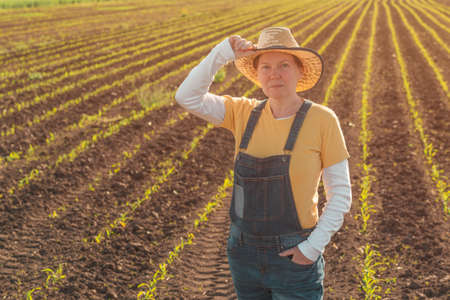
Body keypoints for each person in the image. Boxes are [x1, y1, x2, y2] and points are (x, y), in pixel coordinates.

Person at [175, 27, 352, 300]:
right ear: (257, 75)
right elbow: (186, 97)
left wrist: (311, 249)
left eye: (284, 65)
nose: (274, 74)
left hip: (294, 255)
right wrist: (223, 52)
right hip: (243, 253)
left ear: (299, 71)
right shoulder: (242, 113)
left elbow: (341, 195)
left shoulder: (323, 120)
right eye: (266, 67)